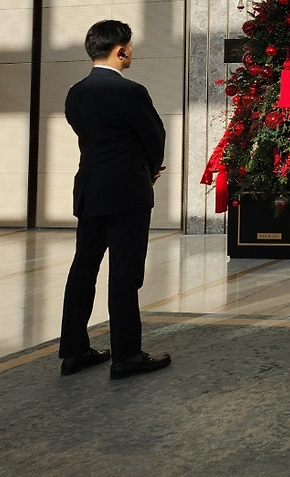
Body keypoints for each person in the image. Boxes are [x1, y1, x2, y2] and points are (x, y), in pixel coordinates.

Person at [58, 20, 171, 380]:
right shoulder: (131, 92)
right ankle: (127, 355)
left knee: (83, 268)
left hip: (90, 189)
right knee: (124, 274)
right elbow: (155, 137)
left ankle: (74, 351)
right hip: (127, 192)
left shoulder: (75, 93)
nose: (131, 52)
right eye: (130, 47)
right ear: (120, 50)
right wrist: (149, 171)